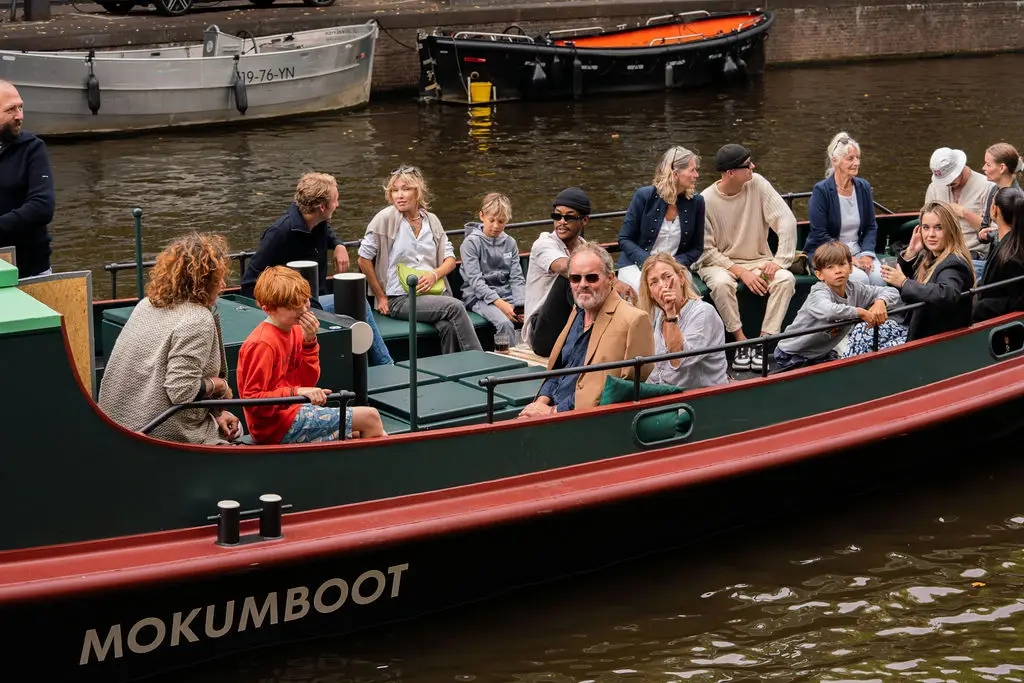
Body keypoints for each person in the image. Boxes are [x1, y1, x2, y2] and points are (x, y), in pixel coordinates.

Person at [98, 233, 242, 445]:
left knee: (226, 420)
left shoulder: (146, 305)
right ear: (202, 282)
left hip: (116, 425)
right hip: (157, 433)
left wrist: (216, 413)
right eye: (217, 279)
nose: (222, 285)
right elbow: (181, 391)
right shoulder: (197, 319)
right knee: (238, 431)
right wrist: (219, 386)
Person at [240, 172, 392, 366]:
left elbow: (327, 232)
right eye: (335, 200)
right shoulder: (279, 233)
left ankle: (380, 365)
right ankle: (382, 365)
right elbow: (249, 282)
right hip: (290, 308)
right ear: (322, 207)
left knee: (357, 300)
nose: (337, 205)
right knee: (355, 306)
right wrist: (281, 307)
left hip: (313, 301)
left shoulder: (318, 223)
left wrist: (338, 244)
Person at [237, 266, 386, 444]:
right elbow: (253, 400)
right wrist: (296, 392)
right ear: (268, 309)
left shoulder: (295, 330)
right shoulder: (262, 344)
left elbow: (307, 382)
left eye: (305, 301)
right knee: (370, 418)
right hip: (275, 427)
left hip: (294, 412)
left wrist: (309, 342)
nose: (303, 309)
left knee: (359, 433)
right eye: (293, 306)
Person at [357, 165, 482, 354]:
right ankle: (479, 358)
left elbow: (450, 259)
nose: (399, 195)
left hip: (434, 293)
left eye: (406, 189)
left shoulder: (432, 220)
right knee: (455, 306)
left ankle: (452, 366)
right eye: (395, 190)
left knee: (448, 326)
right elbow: (363, 259)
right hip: (399, 298)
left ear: (418, 192)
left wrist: (434, 275)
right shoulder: (385, 219)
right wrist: (380, 296)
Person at [518, 243, 654, 417]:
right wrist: (539, 404)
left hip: (588, 419)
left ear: (611, 278)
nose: (582, 284)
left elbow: (621, 389)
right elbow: (560, 368)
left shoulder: (634, 320)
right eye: (575, 278)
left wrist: (553, 411)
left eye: (591, 278)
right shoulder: (577, 312)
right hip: (551, 410)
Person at [697, 143, 797, 372]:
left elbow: (786, 220)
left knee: (786, 279)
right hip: (719, 264)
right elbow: (707, 251)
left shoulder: (758, 184)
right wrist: (741, 272)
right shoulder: (705, 201)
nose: (753, 166)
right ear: (730, 172)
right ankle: (741, 342)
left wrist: (779, 261)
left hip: (757, 260)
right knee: (721, 285)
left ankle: (763, 342)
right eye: (747, 165)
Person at [774, 241, 902, 372]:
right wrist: (860, 312)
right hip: (792, 354)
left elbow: (892, 292)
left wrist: (880, 301)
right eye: (830, 267)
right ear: (819, 275)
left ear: (850, 267)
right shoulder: (818, 293)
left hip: (821, 353)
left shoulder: (855, 289)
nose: (838, 271)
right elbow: (829, 311)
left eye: (842, 264)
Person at [881, 201, 974, 341]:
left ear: (951, 230)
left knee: (865, 335)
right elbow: (909, 287)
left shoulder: (954, 263)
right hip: (915, 325)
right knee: (862, 329)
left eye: (938, 228)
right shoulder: (928, 256)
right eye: (926, 228)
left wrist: (904, 283)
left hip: (934, 338)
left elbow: (946, 294)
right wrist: (911, 252)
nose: (931, 234)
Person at [617, 146, 704, 293]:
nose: (697, 175)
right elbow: (624, 239)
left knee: (678, 288)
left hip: (674, 267)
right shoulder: (644, 196)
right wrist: (649, 262)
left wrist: (677, 262)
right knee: (650, 289)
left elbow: (697, 247)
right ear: (676, 173)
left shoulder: (697, 202)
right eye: (692, 170)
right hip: (636, 266)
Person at [804, 132, 884, 286]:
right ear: (835, 161)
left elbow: (870, 226)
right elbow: (819, 233)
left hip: (859, 251)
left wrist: (866, 255)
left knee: (878, 277)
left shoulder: (863, 187)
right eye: (850, 159)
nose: (856, 163)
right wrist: (848, 258)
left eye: (858, 158)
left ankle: (875, 303)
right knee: (860, 279)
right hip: (829, 253)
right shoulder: (821, 190)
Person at [637, 252, 727, 389]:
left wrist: (671, 315)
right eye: (654, 282)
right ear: (650, 293)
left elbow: (678, 361)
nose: (662, 285)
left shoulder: (704, 312)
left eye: (667, 277)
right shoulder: (658, 316)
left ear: (681, 278)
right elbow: (657, 371)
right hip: (664, 393)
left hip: (699, 397)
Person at [523, 187, 590, 356]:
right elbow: (564, 267)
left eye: (569, 217)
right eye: (557, 216)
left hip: (567, 327)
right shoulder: (543, 243)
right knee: (572, 277)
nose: (562, 222)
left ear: (584, 220)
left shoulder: (585, 247)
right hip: (541, 335)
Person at [0, 80, 55, 278]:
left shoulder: (33, 148)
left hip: (30, 270)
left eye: (20, 107)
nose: (20, 116)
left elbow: (42, 207)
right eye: (11, 110)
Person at [459, 192, 526, 343]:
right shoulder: (471, 243)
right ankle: (509, 356)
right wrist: (501, 304)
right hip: (477, 297)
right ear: (482, 216)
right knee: (504, 323)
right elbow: (476, 282)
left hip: (506, 294)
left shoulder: (510, 243)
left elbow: (516, 278)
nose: (496, 226)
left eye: (501, 222)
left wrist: (521, 306)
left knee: (534, 317)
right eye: (492, 220)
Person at [924, 147, 995, 280]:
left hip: (972, 256)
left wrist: (965, 213)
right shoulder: (934, 187)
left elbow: (994, 232)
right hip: (938, 253)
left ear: (961, 167)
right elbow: (924, 223)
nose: (947, 184)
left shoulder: (988, 187)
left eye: (950, 180)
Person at [974, 187, 1024, 322]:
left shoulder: (1011, 257)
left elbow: (1018, 301)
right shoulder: (1015, 239)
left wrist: (980, 307)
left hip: (992, 319)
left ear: (994, 210)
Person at [979, 142, 1022, 243]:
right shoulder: (994, 190)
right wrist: (982, 234)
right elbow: (984, 225)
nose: (983, 168)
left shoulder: (1018, 199)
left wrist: (992, 234)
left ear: (1002, 168)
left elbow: (1018, 236)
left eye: (988, 164)